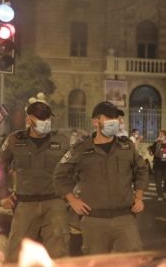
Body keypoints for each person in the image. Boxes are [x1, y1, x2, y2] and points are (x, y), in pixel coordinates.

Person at [54, 101, 149, 255]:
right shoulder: (81, 149)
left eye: (116, 118)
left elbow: (142, 170)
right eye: (110, 117)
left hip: (124, 219)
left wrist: (139, 196)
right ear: (96, 122)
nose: (115, 121)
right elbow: (60, 175)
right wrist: (72, 200)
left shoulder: (127, 147)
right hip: (94, 221)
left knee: (133, 265)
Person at [0, 100, 70, 262]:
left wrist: (70, 194)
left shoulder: (62, 141)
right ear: (29, 119)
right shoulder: (15, 140)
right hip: (25, 205)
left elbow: (74, 168)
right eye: (41, 119)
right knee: (15, 256)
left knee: (59, 255)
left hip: (54, 204)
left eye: (48, 119)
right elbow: (0, 166)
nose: (45, 123)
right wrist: (3, 195)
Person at [149, 129, 166, 201]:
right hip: (157, 165)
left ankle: (165, 191)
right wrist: (153, 144)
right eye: (159, 134)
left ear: (165, 136)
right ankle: (160, 195)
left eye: (161, 135)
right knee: (158, 182)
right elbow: (151, 153)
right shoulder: (157, 143)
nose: (160, 136)